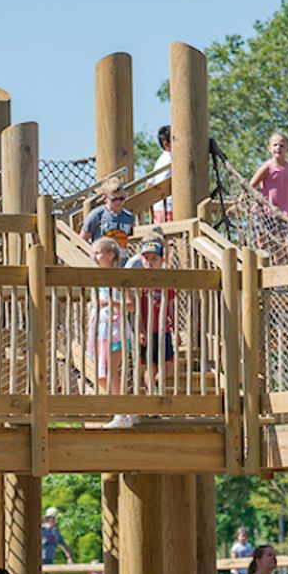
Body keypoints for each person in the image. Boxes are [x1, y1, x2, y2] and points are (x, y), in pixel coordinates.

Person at [124, 231, 176, 393]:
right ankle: (152, 392)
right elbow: (137, 310)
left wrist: (175, 326)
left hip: (163, 330)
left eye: (154, 259)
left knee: (168, 364)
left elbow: (170, 305)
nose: (149, 262)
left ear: (161, 260)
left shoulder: (166, 281)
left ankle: (157, 385)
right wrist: (139, 330)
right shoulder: (140, 281)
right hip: (147, 330)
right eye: (146, 258)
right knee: (150, 365)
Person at [88, 236, 130, 425]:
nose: (94, 256)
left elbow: (130, 305)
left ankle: (120, 413)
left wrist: (111, 302)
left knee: (110, 371)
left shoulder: (119, 277)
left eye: (98, 252)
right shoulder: (97, 277)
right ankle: (124, 409)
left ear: (110, 255)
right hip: (101, 329)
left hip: (116, 329)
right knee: (102, 374)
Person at [80, 179, 135, 248]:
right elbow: (83, 238)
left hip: (121, 255)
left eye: (121, 198)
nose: (118, 202)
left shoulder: (128, 216)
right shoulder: (97, 215)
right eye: (114, 199)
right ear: (105, 198)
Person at [41, 507, 72, 574]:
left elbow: (63, 544)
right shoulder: (41, 530)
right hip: (40, 560)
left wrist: (68, 556)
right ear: (48, 519)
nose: (55, 520)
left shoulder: (55, 532)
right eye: (53, 518)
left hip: (50, 560)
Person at [149, 125, 172, 222]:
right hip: (168, 206)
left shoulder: (160, 160)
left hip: (158, 206)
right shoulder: (171, 158)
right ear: (166, 143)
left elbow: (149, 183)